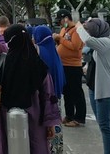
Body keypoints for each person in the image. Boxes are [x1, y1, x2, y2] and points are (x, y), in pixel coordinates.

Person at [0, 24, 61, 154]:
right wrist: (50, 123)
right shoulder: (38, 65)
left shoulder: (2, 62)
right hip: (35, 119)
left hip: (6, 117)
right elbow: (48, 95)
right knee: (35, 146)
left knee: (8, 146)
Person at [74, 19, 110, 154]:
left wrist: (79, 27)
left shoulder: (105, 42)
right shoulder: (99, 44)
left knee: (105, 126)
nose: (88, 32)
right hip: (95, 89)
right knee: (103, 125)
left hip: (105, 92)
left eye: (90, 29)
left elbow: (87, 40)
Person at [33, 25, 66, 154]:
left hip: (45, 95)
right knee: (55, 122)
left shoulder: (39, 51)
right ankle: (57, 150)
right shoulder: (54, 51)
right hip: (56, 96)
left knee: (46, 126)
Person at [53, 9, 86, 127]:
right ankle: (69, 115)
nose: (60, 24)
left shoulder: (76, 30)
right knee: (66, 92)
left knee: (76, 91)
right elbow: (62, 45)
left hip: (73, 65)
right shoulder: (63, 30)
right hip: (63, 65)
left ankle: (79, 118)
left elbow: (75, 46)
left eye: (61, 21)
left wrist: (60, 39)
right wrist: (58, 40)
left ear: (66, 18)